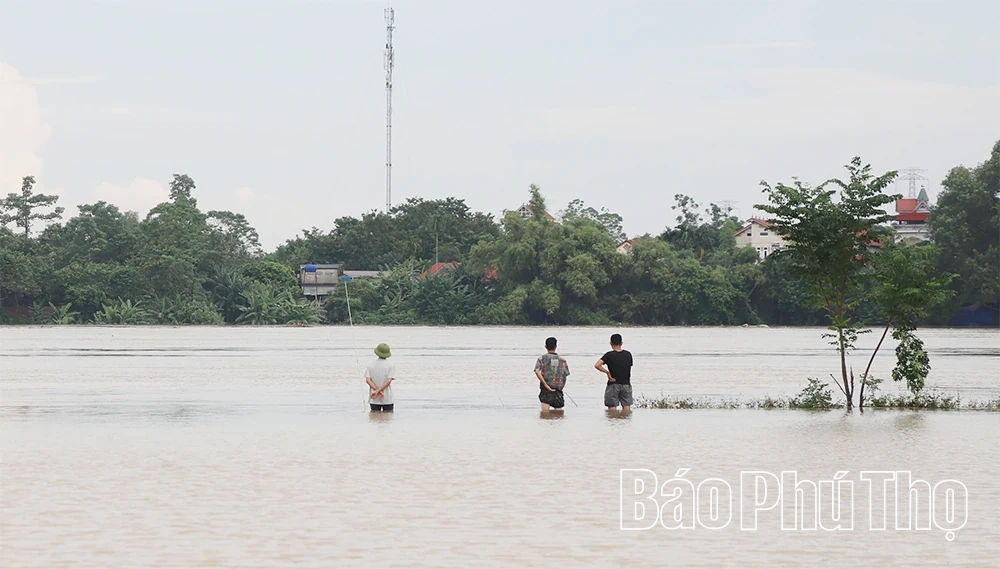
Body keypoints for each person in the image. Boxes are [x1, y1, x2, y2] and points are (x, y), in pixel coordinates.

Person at [595, 333, 633, 412]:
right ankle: (626, 423)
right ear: (621, 343)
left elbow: (597, 365)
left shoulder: (609, 355)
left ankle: (613, 424)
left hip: (613, 383)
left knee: (612, 407)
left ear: (610, 343)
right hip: (626, 384)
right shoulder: (628, 354)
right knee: (626, 407)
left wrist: (607, 373)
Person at [534, 337, 569, 411]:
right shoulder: (562, 360)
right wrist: (560, 388)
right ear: (556, 347)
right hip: (557, 390)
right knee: (559, 415)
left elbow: (537, 371)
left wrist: (545, 385)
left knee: (544, 414)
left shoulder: (541, 359)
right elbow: (565, 376)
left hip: (545, 390)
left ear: (545, 346)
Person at [366, 343, 396, 412]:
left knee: (374, 419)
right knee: (387, 420)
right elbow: (388, 381)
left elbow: (368, 380)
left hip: (374, 398)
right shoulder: (391, 365)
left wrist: (376, 391)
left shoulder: (370, 364)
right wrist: (379, 391)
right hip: (387, 398)